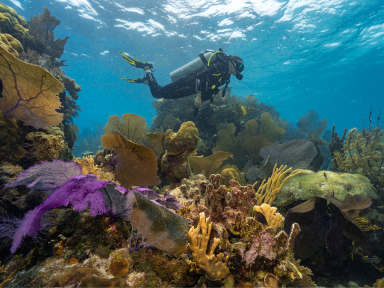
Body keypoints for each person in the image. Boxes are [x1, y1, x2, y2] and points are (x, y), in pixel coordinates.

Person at [120, 49, 244, 115]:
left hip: (189, 89)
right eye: (239, 66)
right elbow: (200, 75)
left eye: (241, 68)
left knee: (161, 93)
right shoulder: (219, 65)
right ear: (231, 62)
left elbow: (210, 86)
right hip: (186, 83)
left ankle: (148, 80)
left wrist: (206, 100)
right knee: (157, 93)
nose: (239, 70)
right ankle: (146, 68)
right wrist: (199, 96)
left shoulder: (225, 76)